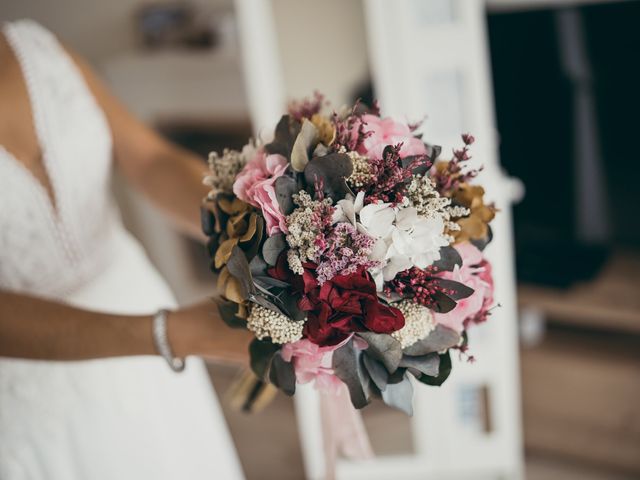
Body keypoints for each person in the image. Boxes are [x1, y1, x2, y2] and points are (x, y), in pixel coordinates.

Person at [0, 19, 250, 479]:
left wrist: (251, 223)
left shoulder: (36, 46)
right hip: (29, 380)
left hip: (134, 296)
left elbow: (150, 159)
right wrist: (171, 334)